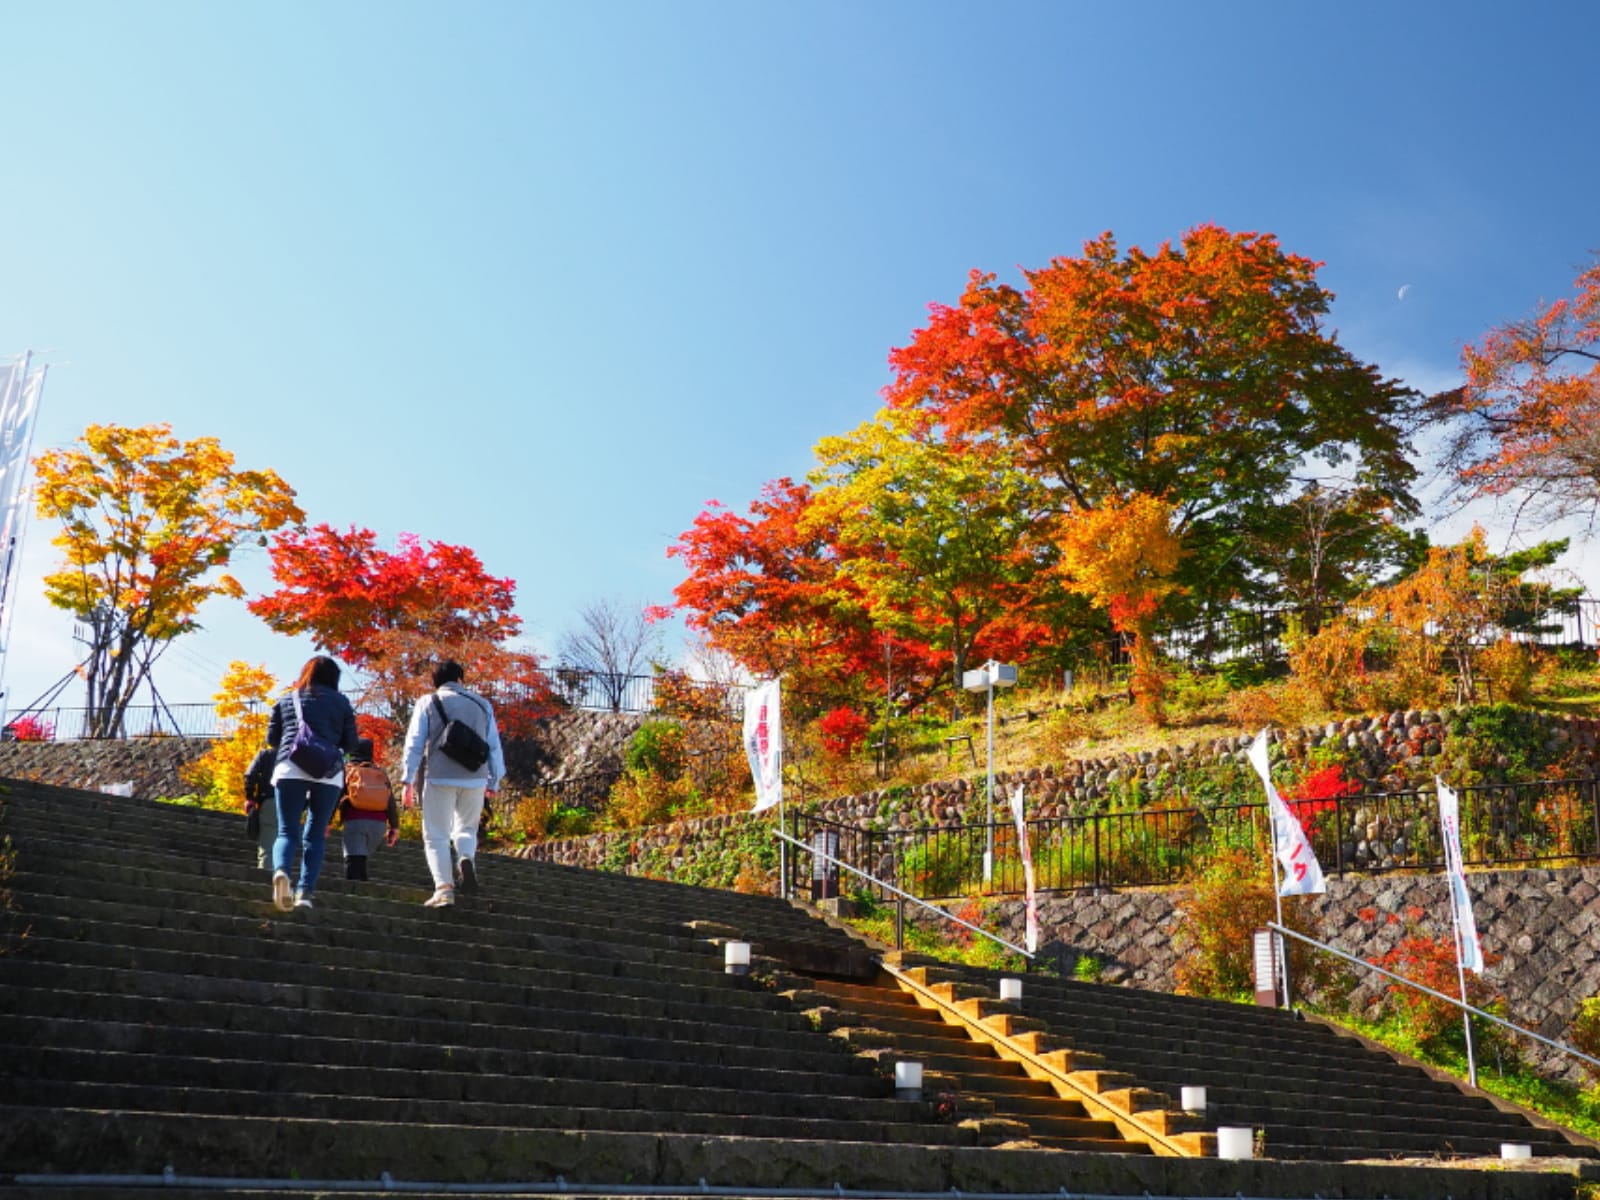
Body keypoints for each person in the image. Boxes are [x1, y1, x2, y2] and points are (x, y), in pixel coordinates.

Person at [400, 659, 504, 907]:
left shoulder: (428, 702)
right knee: (467, 829)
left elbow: (414, 743)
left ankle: (444, 889)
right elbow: (494, 746)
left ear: (435, 682)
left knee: (436, 835)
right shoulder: (482, 704)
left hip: (439, 776)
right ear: (460, 679)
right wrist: (495, 779)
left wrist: (407, 780)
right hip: (475, 777)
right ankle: (465, 857)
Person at [265, 655, 361, 911]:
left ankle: (282, 872)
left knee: (286, 831)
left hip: (290, 767)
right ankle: (304, 894)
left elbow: (272, 739)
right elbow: (352, 743)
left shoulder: (288, 698)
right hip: (327, 772)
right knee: (316, 836)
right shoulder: (341, 703)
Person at [337, 737, 400, 880]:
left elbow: (336, 797)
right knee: (362, 860)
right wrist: (394, 827)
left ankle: (353, 895)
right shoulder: (380, 774)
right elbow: (390, 802)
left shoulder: (348, 771)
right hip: (378, 824)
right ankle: (363, 888)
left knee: (353, 862)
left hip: (354, 820)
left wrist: (327, 821)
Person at [244, 744, 278, 872]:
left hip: (270, 800)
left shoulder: (266, 754)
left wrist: (250, 797)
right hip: (293, 806)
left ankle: (264, 885)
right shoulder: (298, 757)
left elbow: (250, 774)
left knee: (268, 848)